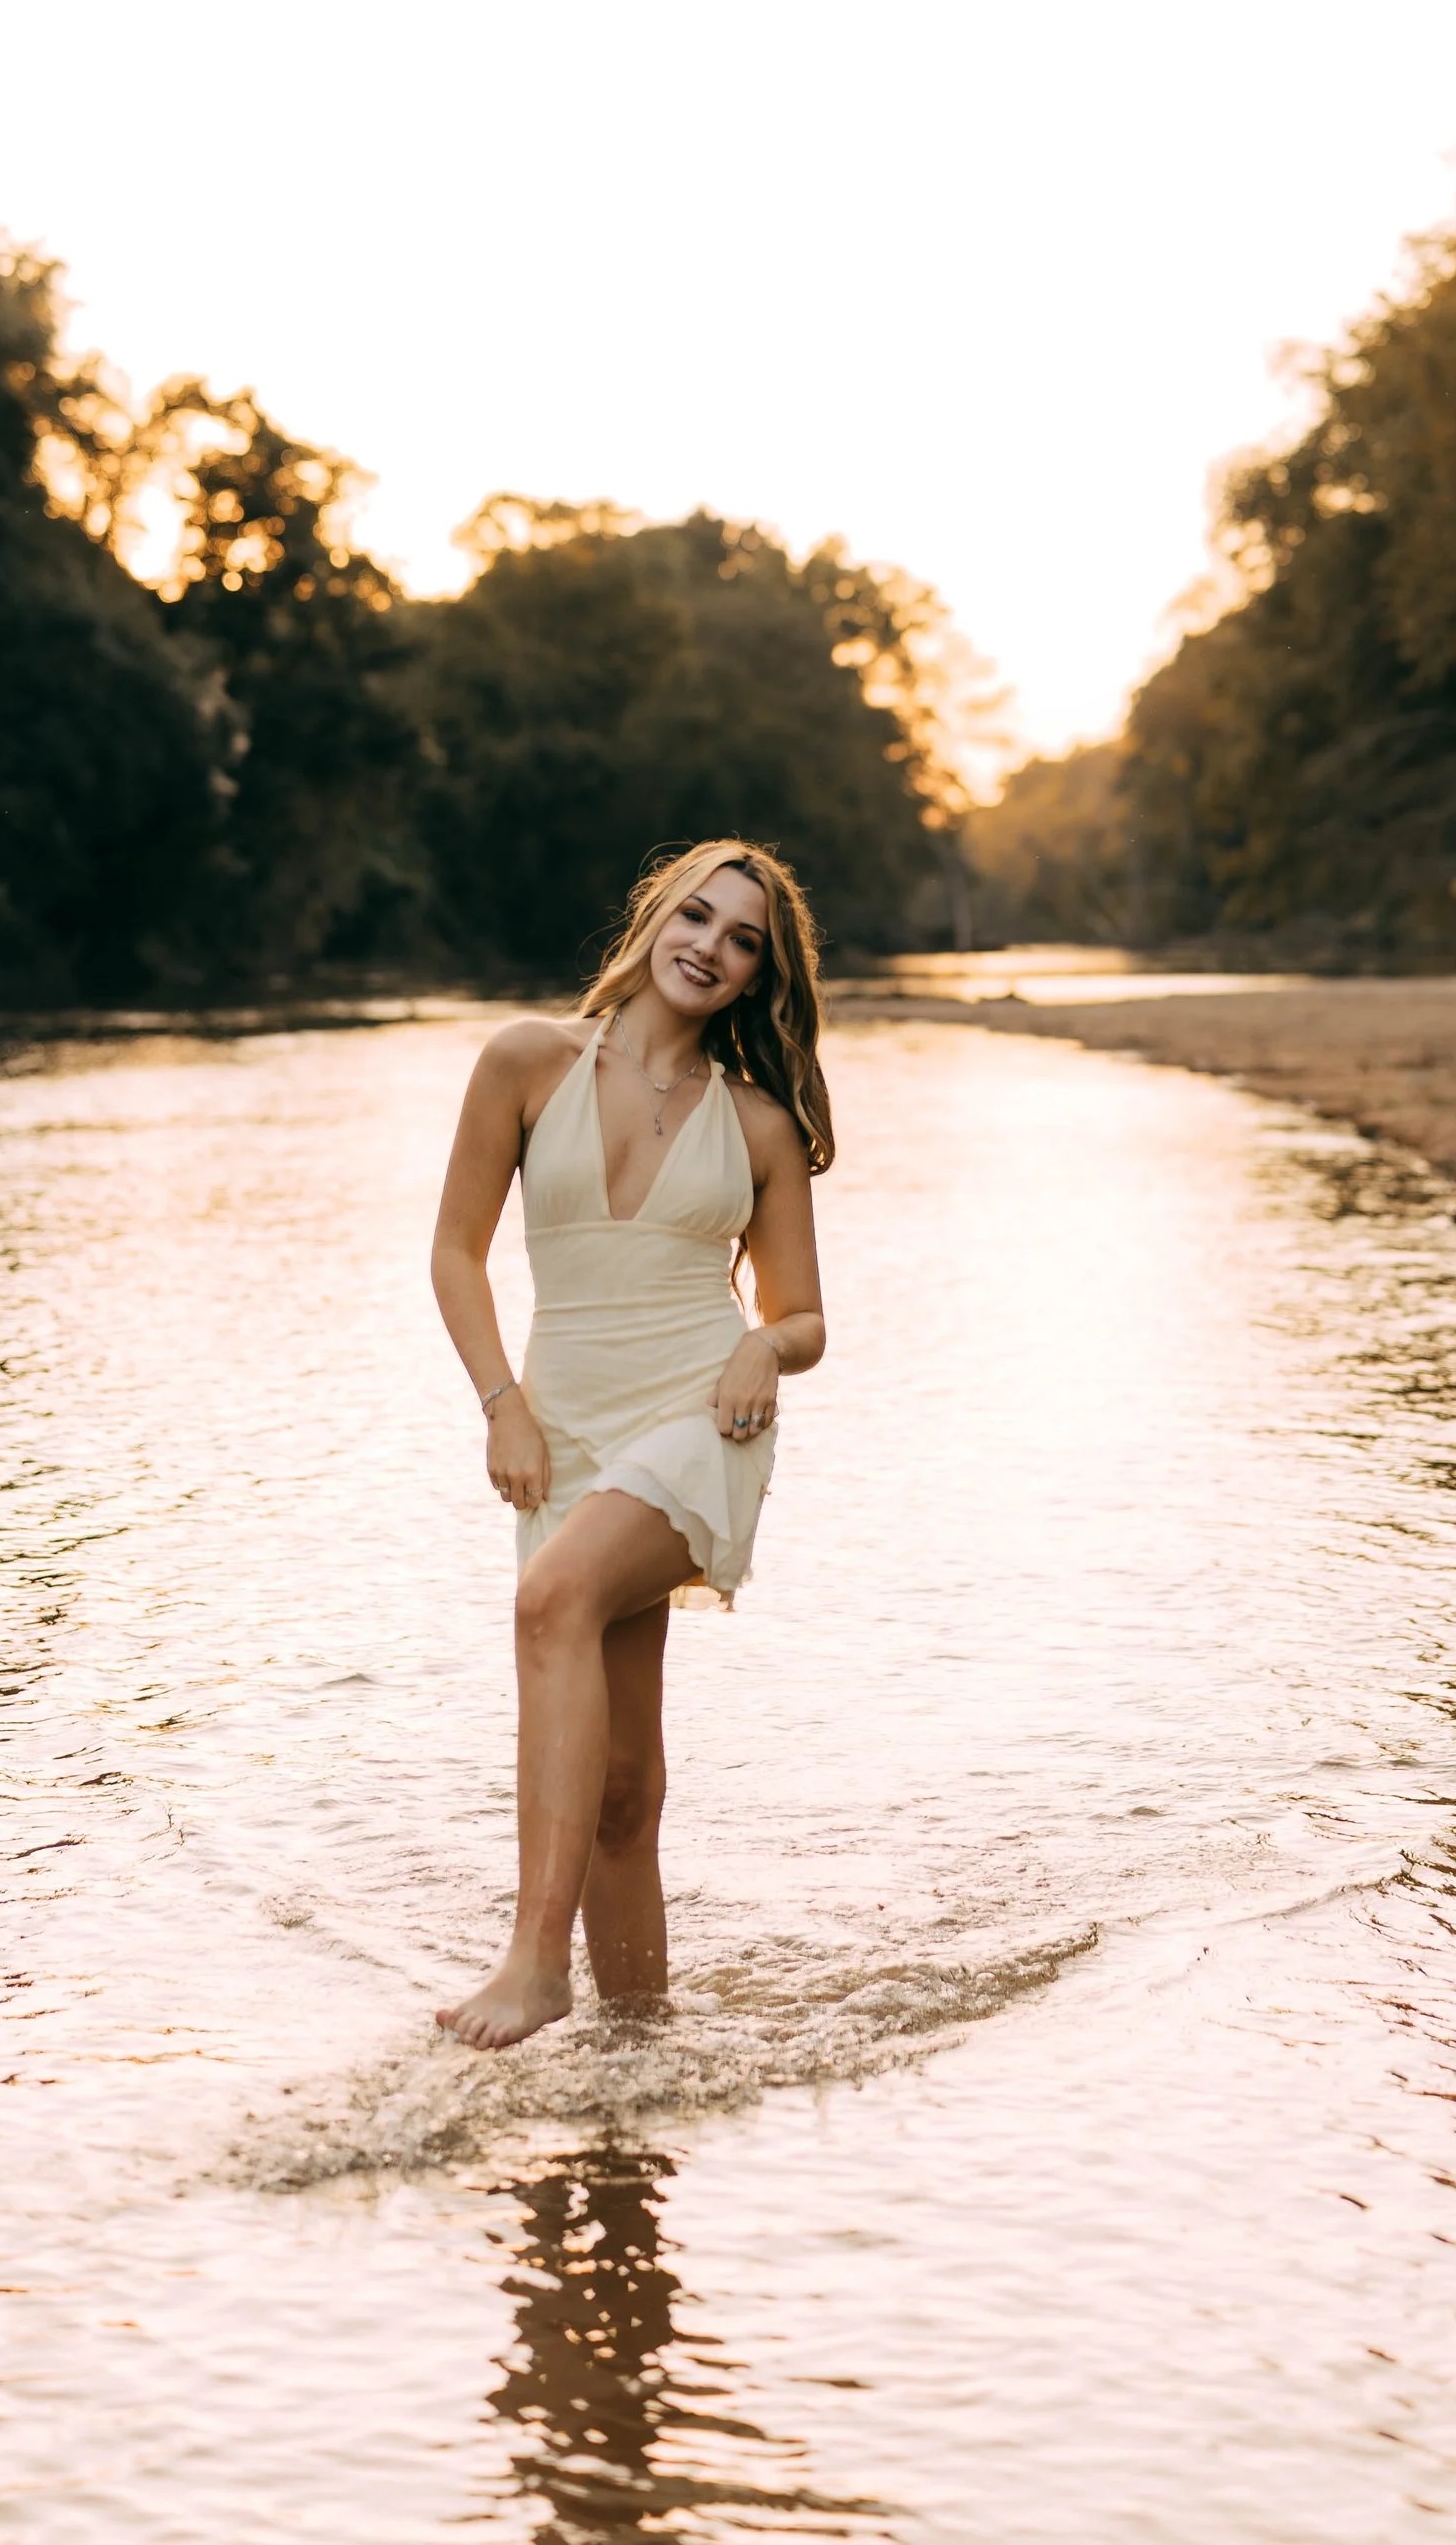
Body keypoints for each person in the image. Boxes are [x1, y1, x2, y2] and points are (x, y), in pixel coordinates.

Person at [426, 840, 832, 2049]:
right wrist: (500, 1401)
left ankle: (533, 1963)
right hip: (560, 1422)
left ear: (760, 975)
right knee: (616, 1786)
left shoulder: (755, 1125)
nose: (709, 945)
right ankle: (640, 2044)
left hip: (700, 1416)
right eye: (697, 915)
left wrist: (767, 1345)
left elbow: (804, 1313)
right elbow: (453, 1252)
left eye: (743, 937)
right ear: (657, 916)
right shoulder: (525, 1062)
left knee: (552, 1601)